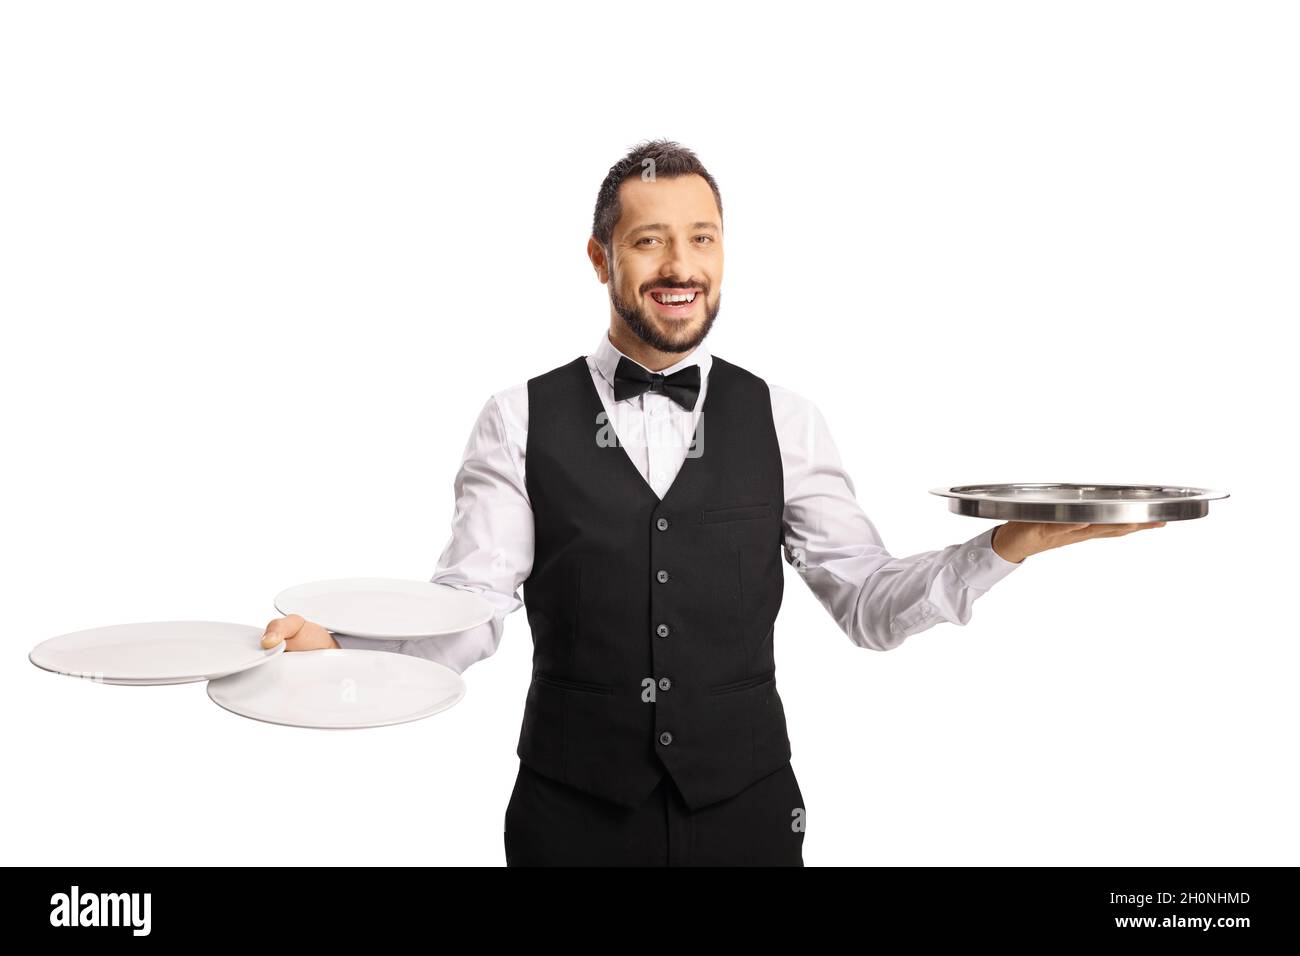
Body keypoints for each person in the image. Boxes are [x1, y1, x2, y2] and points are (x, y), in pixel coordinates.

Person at [259, 139, 1165, 866]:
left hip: (748, 816)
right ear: (600, 257)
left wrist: (1004, 546)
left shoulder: (785, 419)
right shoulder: (518, 419)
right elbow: (471, 605)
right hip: (571, 821)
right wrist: (345, 648)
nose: (679, 265)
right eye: (649, 240)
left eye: (702, 238)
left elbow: (868, 604)